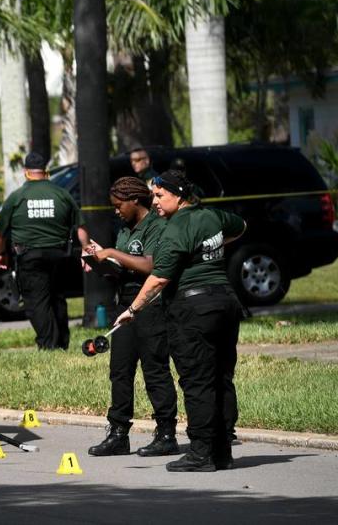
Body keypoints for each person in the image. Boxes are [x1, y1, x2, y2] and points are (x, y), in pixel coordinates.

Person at [114, 160, 246, 472]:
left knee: (198, 381)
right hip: (226, 304)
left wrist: (132, 310)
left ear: (179, 195)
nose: (155, 201)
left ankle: (200, 453)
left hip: (194, 309)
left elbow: (159, 279)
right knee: (221, 377)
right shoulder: (211, 216)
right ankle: (222, 451)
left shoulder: (175, 230)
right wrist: (205, 250)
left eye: (159, 195)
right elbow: (240, 227)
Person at [85, 176, 178, 457]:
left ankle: (165, 433)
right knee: (120, 371)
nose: (116, 210)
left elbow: (151, 266)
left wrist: (112, 252)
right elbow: (123, 268)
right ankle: (118, 433)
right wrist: (99, 261)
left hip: (151, 304)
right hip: (124, 304)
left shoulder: (156, 226)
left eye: (118, 205)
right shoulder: (124, 230)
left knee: (155, 370)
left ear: (135, 200)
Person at [0, 151, 90, 350]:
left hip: (29, 256)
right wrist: (86, 251)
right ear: (45, 171)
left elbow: (0, 232)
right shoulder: (61, 194)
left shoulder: (17, 197)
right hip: (59, 254)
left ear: (26, 172)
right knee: (57, 297)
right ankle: (62, 342)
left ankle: (48, 345)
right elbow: (81, 226)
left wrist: (1, 253)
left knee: (37, 302)